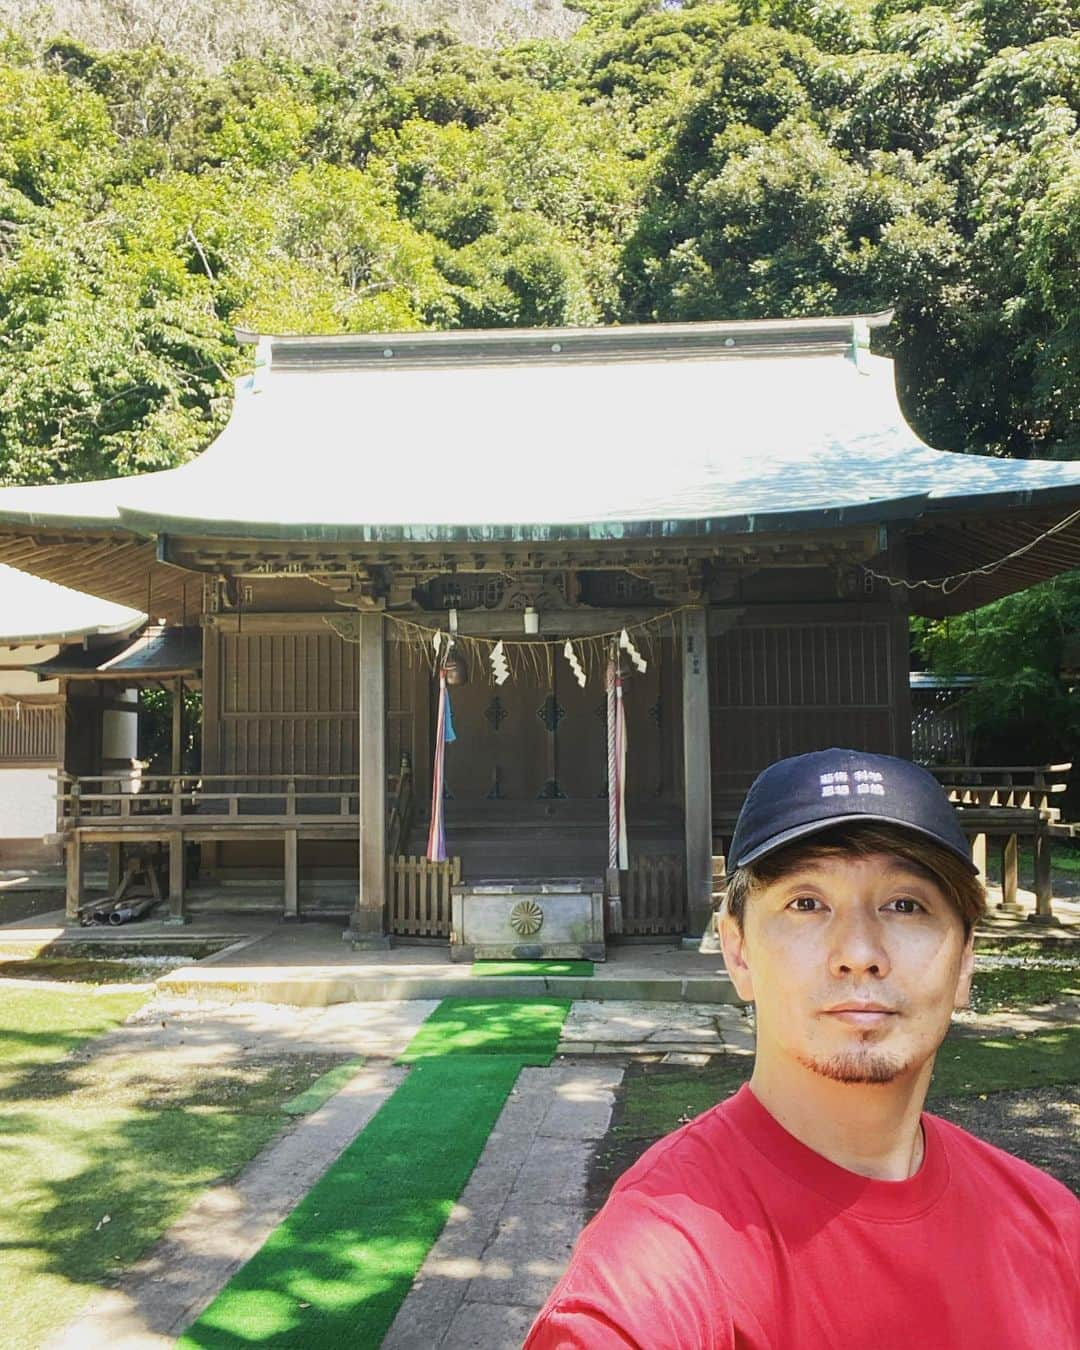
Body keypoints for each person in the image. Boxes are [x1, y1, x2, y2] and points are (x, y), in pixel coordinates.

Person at [524, 748, 1079, 1349]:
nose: (860, 951)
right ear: (738, 952)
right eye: (806, 903)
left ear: (966, 959)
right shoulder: (659, 1261)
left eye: (906, 905)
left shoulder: (1049, 1227)